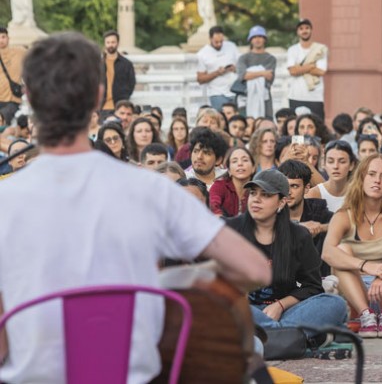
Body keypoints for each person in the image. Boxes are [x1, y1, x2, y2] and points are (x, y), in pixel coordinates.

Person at [0, 32, 270, 384]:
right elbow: (257, 270)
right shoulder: (150, 189)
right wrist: (167, 286)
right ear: (99, 96)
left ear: (30, 98)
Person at [226, 169, 348, 339]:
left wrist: (281, 306)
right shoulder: (231, 230)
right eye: (253, 193)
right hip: (247, 311)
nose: (256, 200)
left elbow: (312, 287)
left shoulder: (298, 235)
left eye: (266, 195)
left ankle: (268, 337)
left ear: (282, 202)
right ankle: (286, 337)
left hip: (286, 313)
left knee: (335, 304)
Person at [321, 155, 382, 338]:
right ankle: (366, 315)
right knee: (341, 250)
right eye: (372, 174)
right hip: (356, 295)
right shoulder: (343, 215)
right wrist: (366, 266)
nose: (377, 181)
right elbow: (327, 253)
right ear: (361, 178)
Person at [286, 18, 328, 118]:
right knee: (296, 130)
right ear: (297, 32)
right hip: (295, 95)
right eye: (301, 28)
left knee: (317, 128)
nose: (304, 31)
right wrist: (311, 66)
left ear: (311, 30)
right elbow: (292, 71)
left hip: (315, 96)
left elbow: (321, 71)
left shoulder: (320, 49)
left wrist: (299, 68)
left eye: (307, 28)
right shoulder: (293, 50)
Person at [196, 25, 240, 111]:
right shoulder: (202, 54)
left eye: (221, 41)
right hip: (217, 93)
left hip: (235, 91)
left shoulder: (231, 46)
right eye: (216, 42)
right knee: (221, 119)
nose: (219, 44)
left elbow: (242, 65)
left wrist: (235, 68)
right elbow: (200, 79)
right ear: (210, 38)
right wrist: (217, 73)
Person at [237, 25, 277, 120]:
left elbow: (269, 77)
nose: (257, 39)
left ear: (264, 39)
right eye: (254, 37)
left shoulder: (270, 59)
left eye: (260, 36)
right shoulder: (243, 58)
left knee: (266, 123)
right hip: (245, 98)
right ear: (250, 40)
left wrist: (251, 74)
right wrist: (262, 73)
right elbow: (242, 76)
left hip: (264, 97)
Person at [306, 139, 356, 212]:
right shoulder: (312, 194)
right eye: (330, 161)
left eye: (342, 162)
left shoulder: (359, 194)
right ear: (324, 164)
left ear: (351, 165)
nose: (336, 166)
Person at [209, 145, 256, 217]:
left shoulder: (258, 188)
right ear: (229, 170)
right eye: (234, 161)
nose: (240, 164)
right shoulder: (220, 186)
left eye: (245, 160)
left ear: (253, 168)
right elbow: (212, 205)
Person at [100, 29, 136, 119]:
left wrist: (124, 98)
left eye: (113, 42)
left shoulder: (126, 64)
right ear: (105, 43)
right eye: (108, 42)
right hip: (101, 107)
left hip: (120, 108)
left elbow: (131, 83)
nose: (110, 45)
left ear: (118, 43)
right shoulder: (97, 64)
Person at [0, 26, 24, 124]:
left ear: (8, 38)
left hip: (12, 99)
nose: (0, 40)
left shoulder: (20, 52)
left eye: (3, 37)